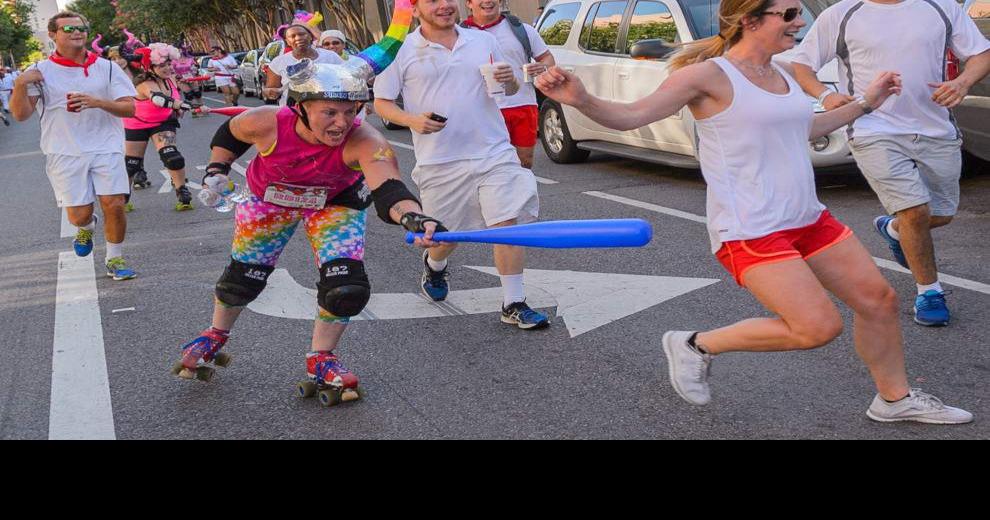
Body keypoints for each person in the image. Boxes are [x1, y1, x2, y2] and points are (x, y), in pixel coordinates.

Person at [536, 0, 972, 424]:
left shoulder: (782, 72)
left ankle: (894, 400)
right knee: (816, 328)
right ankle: (696, 345)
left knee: (879, 302)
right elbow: (630, 116)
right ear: (749, 20)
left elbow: (807, 128)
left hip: (807, 217)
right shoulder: (707, 76)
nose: (798, 22)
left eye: (799, 13)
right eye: (787, 14)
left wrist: (867, 103)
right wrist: (581, 100)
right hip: (751, 227)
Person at [172, 0, 444, 404]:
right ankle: (215, 334)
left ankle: (321, 357)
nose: (341, 123)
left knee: (346, 287)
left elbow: (389, 190)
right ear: (299, 107)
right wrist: (216, 170)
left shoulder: (364, 139)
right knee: (242, 279)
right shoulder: (266, 121)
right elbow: (230, 133)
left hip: (335, 202)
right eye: (329, 112)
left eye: (351, 111)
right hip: (271, 201)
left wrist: (414, 218)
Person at [791, 0, 990, 327]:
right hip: (873, 127)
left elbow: (981, 53)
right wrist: (824, 96)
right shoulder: (842, 13)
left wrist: (962, 83)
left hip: (936, 128)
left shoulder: (940, 7)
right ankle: (929, 291)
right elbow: (802, 65)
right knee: (915, 210)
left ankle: (894, 230)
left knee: (941, 214)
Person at [376, 0, 550, 330]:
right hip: (440, 160)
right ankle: (435, 265)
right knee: (446, 237)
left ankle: (513, 302)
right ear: (415, 9)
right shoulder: (401, 50)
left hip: (493, 150)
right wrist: (413, 120)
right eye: (432, 1)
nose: (444, 5)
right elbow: (382, 102)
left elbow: (508, 87)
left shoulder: (482, 41)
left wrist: (509, 79)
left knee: (506, 222)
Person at [9, 11, 139, 280]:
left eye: (81, 28)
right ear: (53, 35)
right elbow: (20, 115)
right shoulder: (40, 72)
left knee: (114, 203)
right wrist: (21, 84)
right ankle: (86, 227)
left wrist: (98, 102)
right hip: (64, 151)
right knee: (79, 215)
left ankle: (115, 258)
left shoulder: (108, 67)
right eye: (68, 29)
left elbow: (129, 108)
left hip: (106, 146)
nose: (77, 32)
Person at [463, 0, 556, 169]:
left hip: (522, 104)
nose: (487, 1)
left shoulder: (521, 29)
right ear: (469, 3)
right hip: (483, 109)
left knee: (524, 162)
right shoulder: (461, 34)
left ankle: (522, 195)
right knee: (491, 164)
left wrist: (542, 67)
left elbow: (548, 59)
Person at [122, 42, 195, 211]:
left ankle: (182, 192)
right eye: (162, 65)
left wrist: (180, 108)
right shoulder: (143, 82)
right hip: (137, 123)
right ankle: (122, 198)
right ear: (149, 67)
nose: (167, 68)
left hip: (162, 122)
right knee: (131, 165)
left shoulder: (170, 79)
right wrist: (182, 105)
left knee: (172, 157)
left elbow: (177, 96)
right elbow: (159, 99)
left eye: (169, 64)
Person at [265, 24, 343, 105]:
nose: (298, 38)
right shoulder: (278, 62)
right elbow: (271, 89)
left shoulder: (331, 56)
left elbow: (345, 79)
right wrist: (271, 93)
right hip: (295, 110)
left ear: (310, 37)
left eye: (302, 34)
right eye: (292, 36)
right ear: (287, 41)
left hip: (330, 107)